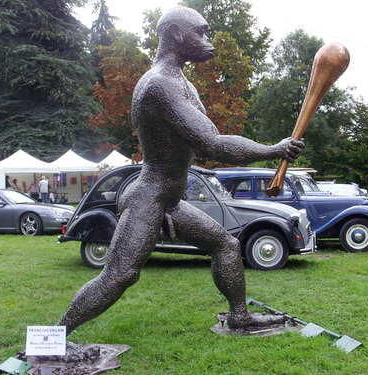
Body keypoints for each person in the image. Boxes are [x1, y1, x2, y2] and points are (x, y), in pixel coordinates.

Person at [58, 6, 304, 336]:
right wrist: (273, 150)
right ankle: (53, 338)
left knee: (226, 246)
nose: (207, 40)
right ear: (176, 34)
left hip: (170, 201)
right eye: (200, 32)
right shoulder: (160, 85)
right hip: (151, 198)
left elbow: (202, 140)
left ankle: (240, 316)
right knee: (119, 275)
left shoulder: (182, 82)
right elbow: (212, 144)